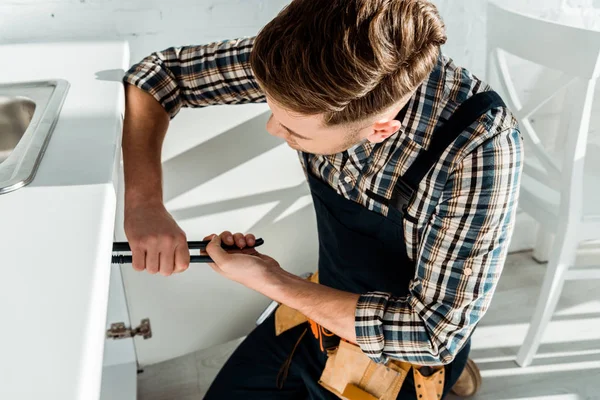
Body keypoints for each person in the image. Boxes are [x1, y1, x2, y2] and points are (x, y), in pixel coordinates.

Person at [121, 0, 522, 398]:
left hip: (401, 356)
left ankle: (452, 374)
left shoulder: (480, 150)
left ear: (380, 130)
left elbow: (434, 334)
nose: (272, 128)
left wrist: (271, 281)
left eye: (297, 131)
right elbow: (158, 75)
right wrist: (144, 204)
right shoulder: (313, 62)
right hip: (315, 310)